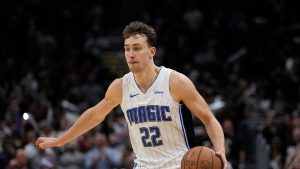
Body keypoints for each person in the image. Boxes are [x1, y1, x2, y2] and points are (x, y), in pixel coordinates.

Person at [36, 21, 228, 169]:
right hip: (143, 165)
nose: (130, 54)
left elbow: (208, 119)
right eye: (127, 49)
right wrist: (61, 140)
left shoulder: (176, 82)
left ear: (152, 51)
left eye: (136, 48)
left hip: (179, 164)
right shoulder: (120, 86)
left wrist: (220, 150)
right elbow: (95, 115)